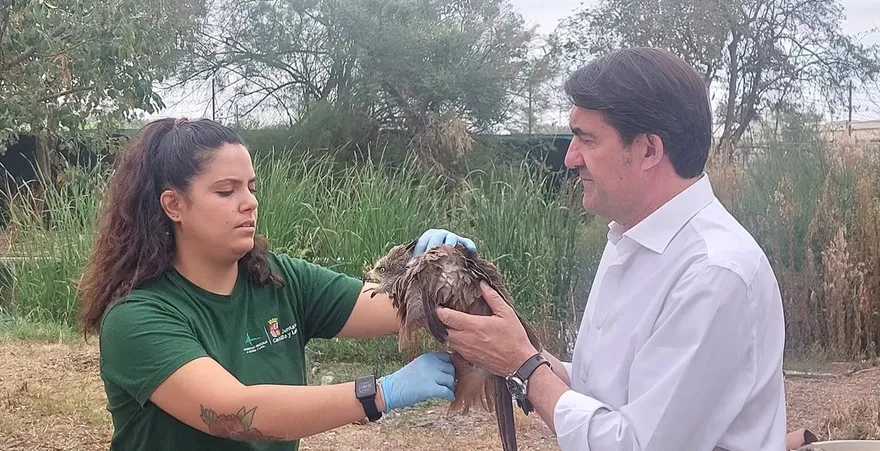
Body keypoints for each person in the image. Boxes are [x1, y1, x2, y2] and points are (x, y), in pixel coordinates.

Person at [435, 47, 789, 450]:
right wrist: (510, 352)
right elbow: (606, 395)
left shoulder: (714, 273)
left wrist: (525, 366)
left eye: (587, 140)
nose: (570, 159)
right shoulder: (630, 238)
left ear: (648, 151)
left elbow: (637, 444)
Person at [76, 117, 474, 450]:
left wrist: (434, 272)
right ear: (173, 205)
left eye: (251, 187)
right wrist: (380, 392)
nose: (249, 202)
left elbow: (391, 307)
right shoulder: (137, 318)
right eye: (226, 190)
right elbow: (233, 412)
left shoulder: (277, 279)